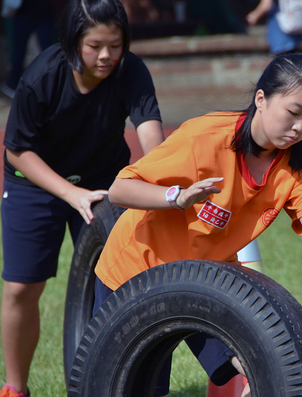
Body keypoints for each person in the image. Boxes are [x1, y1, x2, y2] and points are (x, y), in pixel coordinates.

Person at [92, 53, 302, 397]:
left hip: (204, 279)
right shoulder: (206, 136)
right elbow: (120, 190)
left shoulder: (296, 168)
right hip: (138, 273)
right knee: (138, 388)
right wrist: (177, 196)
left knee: (255, 359)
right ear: (261, 99)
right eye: (293, 113)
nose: (299, 128)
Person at [0, 0, 166, 395]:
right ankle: (15, 387)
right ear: (73, 42)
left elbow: (151, 135)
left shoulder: (131, 71)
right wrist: (70, 193)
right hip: (33, 180)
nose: (106, 55)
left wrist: (162, 185)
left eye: (115, 44)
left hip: (104, 180)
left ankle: (107, 382)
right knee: (22, 287)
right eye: (94, 45)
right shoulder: (43, 75)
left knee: (116, 278)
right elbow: (16, 150)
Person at [0, 0, 57, 98]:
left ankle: (52, 86)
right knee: (19, 51)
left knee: (50, 52)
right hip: (24, 12)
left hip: (44, 12)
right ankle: (13, 83)